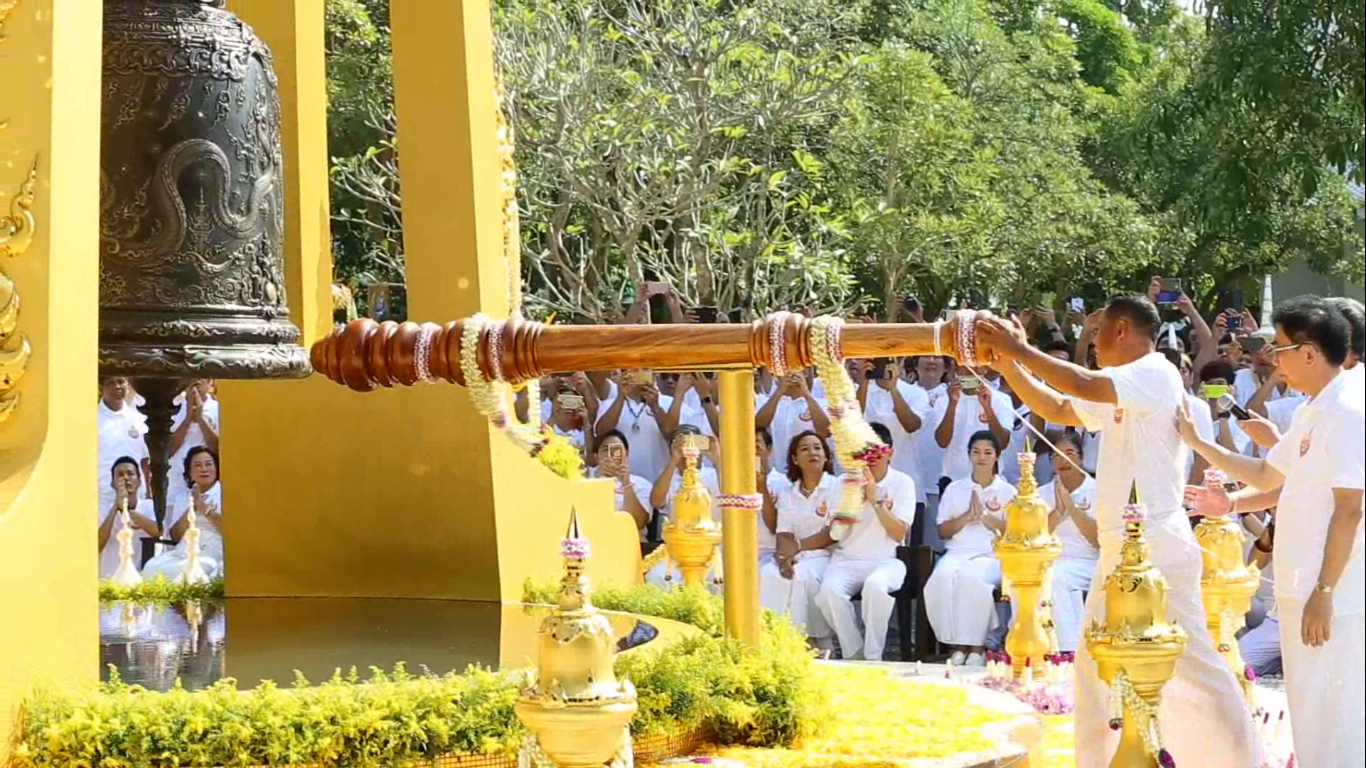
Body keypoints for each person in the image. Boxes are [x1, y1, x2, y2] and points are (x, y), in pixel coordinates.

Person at [977, 294, 1263, 768]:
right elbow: (1061, 407)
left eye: (1097, 334)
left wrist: (1021, 350)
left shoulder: (1155, 371)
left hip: (1156, 547)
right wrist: (1008, 360)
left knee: (1192, 664)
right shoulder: (1118, 385)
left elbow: (1081, 381)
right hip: (1118, 547)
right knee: (1094, 663)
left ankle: (1240, 760)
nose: (1093, 346)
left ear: (1122, 331)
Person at [1176, 297, 1363, 768]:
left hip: (1339, 595)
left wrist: (1324, 590)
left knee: (1339, 711)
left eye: (1280, 348)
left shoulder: (1349, 410)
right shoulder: (1311, 408)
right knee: (1311, 711)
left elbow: (1349, 510)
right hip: (1301, 586)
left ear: (1309, 352)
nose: (1272, 359)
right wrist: (1223, 492)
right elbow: (1267, 476)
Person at [814, 422, 916, 661]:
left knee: (876, 587)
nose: (868, 458)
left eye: (875, 451)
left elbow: (899, 533)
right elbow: (835, 534)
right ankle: (854, 652)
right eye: (863, 451)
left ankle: (873, 655)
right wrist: (855, 501)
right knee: (829, 593)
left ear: (889, 452)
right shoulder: (842, 484)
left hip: (885, 560)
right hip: (845, 560)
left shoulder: (903, 483)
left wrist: (875, 500)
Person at [924, 431, 1014, 666]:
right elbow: (943, 531)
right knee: (941, 578)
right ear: (968, 455)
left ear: (997, 457)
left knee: (972, 580)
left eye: (987, 452)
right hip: (958, 551)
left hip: (992, 554)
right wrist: (966, 517)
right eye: (976, 452)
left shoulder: (1008, 492)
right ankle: (959, 645)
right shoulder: (955, 489)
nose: (981, 457)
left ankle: (978, 646)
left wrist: (986, 517)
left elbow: (1013, 532)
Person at [762, 431, 837, 647]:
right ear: (795, 459)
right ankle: (774, 640)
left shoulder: (837, 487)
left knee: (802, 575)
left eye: (817, 448)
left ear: (826, 456)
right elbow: (783, 532)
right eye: (804, 449)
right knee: (769, 572)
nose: (812, 452)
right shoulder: (788, 492)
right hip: (795, 554)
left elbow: (833, 533)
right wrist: (783, 557)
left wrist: (796, 550)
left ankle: (817, 643)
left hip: (827, 554)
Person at [1038, 431, 1099, 655]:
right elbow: (1036, 536)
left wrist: (1071, 508)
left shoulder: (1097, 491)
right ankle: (1034, 647)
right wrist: (1058, 511)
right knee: (1025, 579)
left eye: (1069, 453)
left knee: (1056, 578)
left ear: (1081, 458)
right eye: (1056, 455)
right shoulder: (1040, 493)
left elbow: (1097, 540)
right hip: (1050, 559)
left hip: (1087, 561)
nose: (1063, 460)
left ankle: (1069, 651)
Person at [143, 446, 224, 582]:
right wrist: (192, 507)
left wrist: (204, 509)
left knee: (186, 571)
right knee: (151, 567)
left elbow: (231, 529)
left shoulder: (224, 493)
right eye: (198, 465)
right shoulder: (182, 498)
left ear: (216, 469)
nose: (204, 469)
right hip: (184, 548)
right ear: (190, 473)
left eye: (208, 464)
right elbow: (175, 535)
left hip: (212, 548)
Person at [933, 366, 1016, 490]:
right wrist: (953, 404)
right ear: (958, 370)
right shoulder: (943, 401)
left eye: (977, 368)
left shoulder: (1001, 400)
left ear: (985, 370)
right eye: (967, 368)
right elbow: (942, 442)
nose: (972, 373)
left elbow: (1002, 442)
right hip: (953, 482)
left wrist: (988, 408)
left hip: (991, 482)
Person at [596, 370, 677, 482]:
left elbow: (671, 434)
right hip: (621, 482)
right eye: (634, 370)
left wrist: (655, 406)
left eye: (645, 369)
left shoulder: (668, 402)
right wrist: (620, 397)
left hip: (659, 482)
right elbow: (601, 433)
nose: (639, 373)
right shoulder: (609, 404)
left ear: (654, 373)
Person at [97, 457, 160, 579]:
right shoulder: (103, 509)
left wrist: (128, 511)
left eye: (130, 474)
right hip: (109, 579)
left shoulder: (149, 506)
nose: (125, 478)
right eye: (120, 475)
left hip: (141, 579)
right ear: (112, 483)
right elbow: (97, 545)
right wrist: (116, 506)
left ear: (139, 481)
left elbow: (158, 531)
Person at [97, 376, 150, 514]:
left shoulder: (138, 418)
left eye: (121, 382)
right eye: (111, 383)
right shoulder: (92, 418)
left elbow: (145, 461)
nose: (117, 387)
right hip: (104, 495)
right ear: (102, 387)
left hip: (137, 495)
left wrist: (149, 493)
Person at [591, 430, 653, 541]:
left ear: (626, 453)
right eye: (606, 450)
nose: (611, 455)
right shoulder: (584, 482)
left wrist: (626, 484)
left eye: (617, 449)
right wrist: (597, 480)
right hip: (595, 542)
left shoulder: (641, 484)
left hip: (631, 543)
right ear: (596, 457)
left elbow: (639, 522)